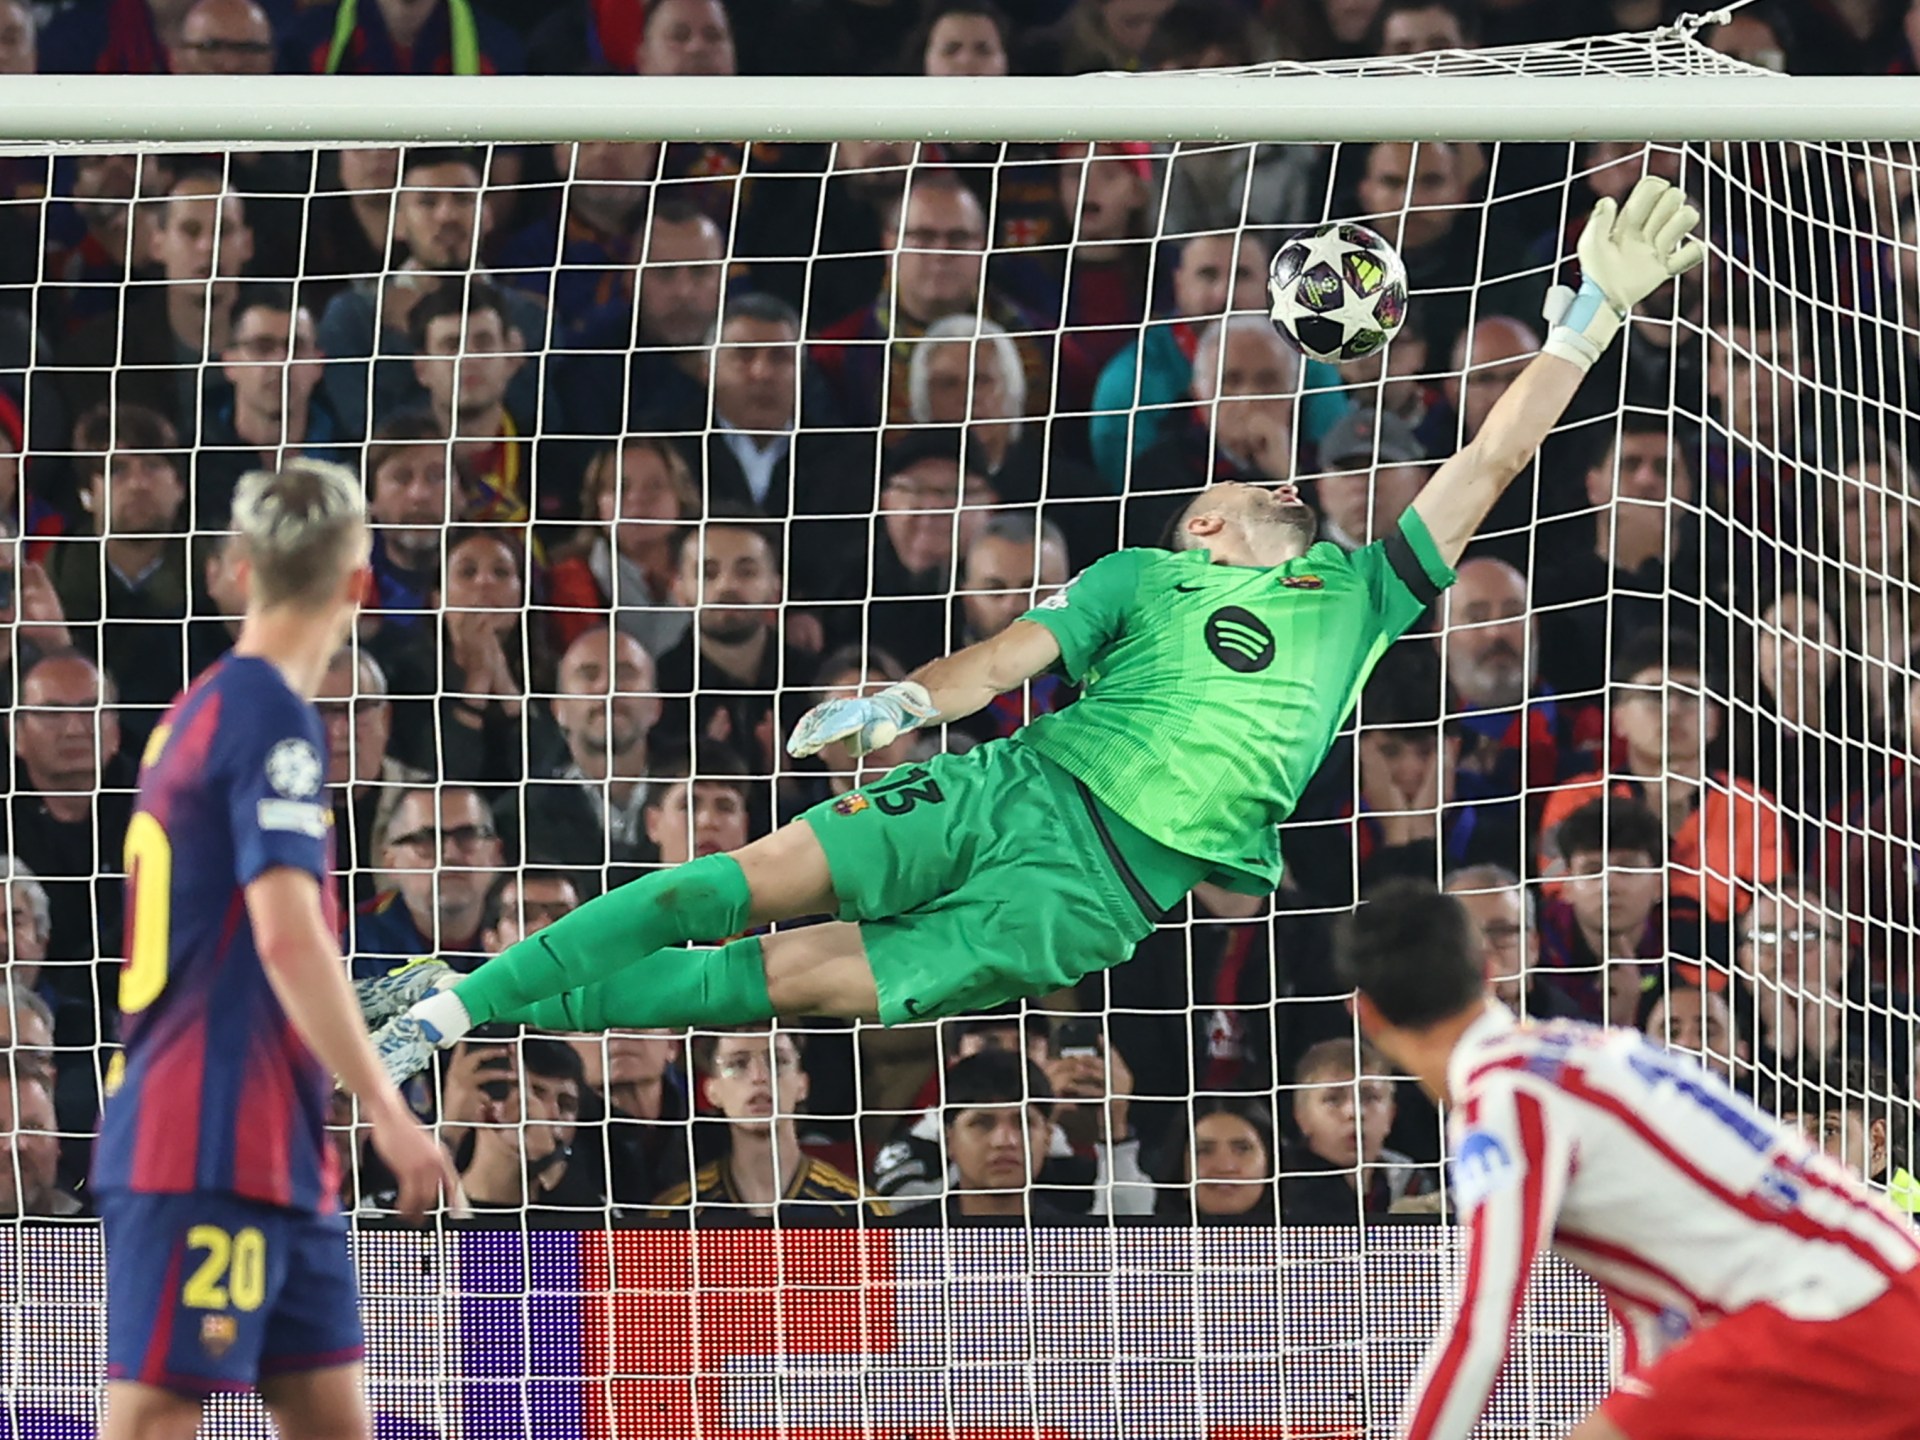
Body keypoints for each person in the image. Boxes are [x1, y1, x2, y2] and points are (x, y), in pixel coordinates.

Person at [364, 180, 1708, 1090]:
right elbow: (1013, 656)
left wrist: (1591, 313)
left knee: (786, 983)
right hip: (1017, 784)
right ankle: (451, 1007)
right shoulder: (1141, 577)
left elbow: (1491, 455)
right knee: (730, 884)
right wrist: (909, 705)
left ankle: (464, 994)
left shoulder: (1366, 591)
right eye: (1232, 490)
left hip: (1091, 897)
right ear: (1206, 530)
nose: (1261, 484)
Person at [91, 462, 453, 1437]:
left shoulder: (199, 708)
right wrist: (389, 1109)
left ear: (239, 569)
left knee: (334, 1421)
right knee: (155, 1418)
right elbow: (289, 936)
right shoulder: (272, 718)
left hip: (279, 1142)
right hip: (206, 1132)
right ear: (360, 585)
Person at [1338, 878, 1920, 1440]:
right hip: (1880, 1292)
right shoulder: (1592, 1048)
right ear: (1488, 969)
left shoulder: (1508, 1096)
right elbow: (1659, 1328)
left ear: (1364, 1013)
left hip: (1833, 1314)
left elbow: (1483, 1326)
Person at [648, 1026, 880, 1223]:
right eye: (738, 1064)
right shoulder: (675, 1213)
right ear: (712, 1091)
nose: (759, 1076)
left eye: (777, 1061)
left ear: (802, 1084)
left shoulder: (858, 1209)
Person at [1280, 1038, 1427, 1223]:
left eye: (1370, 1097)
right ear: (1301, 1116)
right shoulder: (1276, 1193)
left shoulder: (1418, 1186)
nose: (1355, 1112)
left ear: (1391, 1114)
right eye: (1333, 1099)